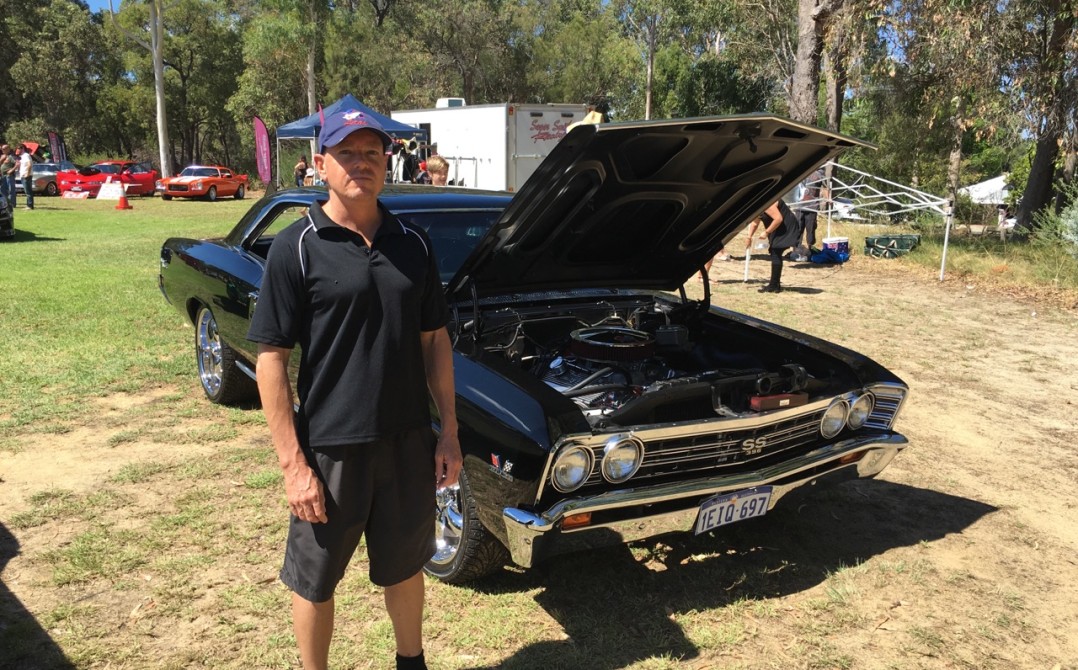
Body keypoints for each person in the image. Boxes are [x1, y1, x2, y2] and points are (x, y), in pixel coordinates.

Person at [247, 109, 461, 670]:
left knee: (405, 567)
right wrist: (293, 464)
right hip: (330, 448)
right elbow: (271, 360)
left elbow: (435, 340)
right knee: (314, 579)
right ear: (321, 164)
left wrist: (449, 432)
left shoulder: (412, 243)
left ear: (386, 162)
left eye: (371, 153)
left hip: (407, 441)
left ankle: (411, 662)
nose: (361, 164)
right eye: (347, 153)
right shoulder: (296, 246)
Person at [747, 198, 801, 293]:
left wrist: (766, 232)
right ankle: (775, 284)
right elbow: (755, 222)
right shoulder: (756, 206)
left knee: (775, 251)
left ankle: (774, 285)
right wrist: (749, 237)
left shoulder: (765, 202)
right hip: (777, 227)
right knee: (775, 252)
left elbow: (778, 218)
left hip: (786, 227)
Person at [798, 167, 827, 249]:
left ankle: (809, 248)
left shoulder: (820, 173)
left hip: (812, 207)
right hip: (799, 205)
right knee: (798, 227)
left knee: (810, 229)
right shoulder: (802, 170)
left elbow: (825, 188)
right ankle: (796, 248)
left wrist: (827, 198)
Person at [0, 144, 16, 209]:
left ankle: (12, 204)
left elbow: (17, 164)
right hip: (3, 175)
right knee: (3, 190)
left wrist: (11, 170)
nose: (2, 150)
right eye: (2, 149)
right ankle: (5, 204)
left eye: (4, 149)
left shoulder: (11, 156)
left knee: (11, 190)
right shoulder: (3, 156)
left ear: (8, 149)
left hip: (9, 175)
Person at [18, 145, 34, 210]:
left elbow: (29, 165)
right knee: (27, 191)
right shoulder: (22, 156)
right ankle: (29, 205)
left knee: (28, 191)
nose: (17, 150)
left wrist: (27, 173)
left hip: (26, 176)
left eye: (18, 148)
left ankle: (29, 206)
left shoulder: (26, 155)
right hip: (23, 175)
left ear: (22, 148)